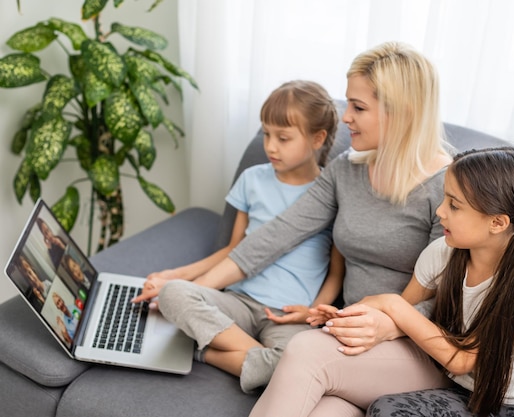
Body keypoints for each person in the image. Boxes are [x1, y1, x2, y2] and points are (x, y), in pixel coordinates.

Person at [142, 41, 452, 415]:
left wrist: (387, 326)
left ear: (401, 113)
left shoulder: (450, 188)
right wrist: (190, 291)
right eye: (347, 103)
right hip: (345, 337)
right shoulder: (346, 169)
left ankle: (229, 355)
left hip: (409, 342)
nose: (346, 117)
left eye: (358, 107)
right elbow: (274, 236)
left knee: (302, 352)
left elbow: (447, 296)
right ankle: (263, 360)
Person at [253, 147, 514, 417]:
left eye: (454, 206)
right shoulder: (442, 253)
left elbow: (461, 359)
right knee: (381, 409)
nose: (440, 212)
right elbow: (403, 318)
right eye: (445, 199)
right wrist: (350, 317)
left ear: (498, 223)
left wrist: (391, 303)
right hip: (469, 395)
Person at [132, 80, 345, 393]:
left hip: (289, 316)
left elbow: (336, 273)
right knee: (173, 294)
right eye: (267, 134)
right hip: (238, 302)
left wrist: (314, 311)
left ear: (318, 138)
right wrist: (175, 276)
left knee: (301, 363)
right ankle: (260, 359)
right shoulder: (252, 180)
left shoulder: (332, 193)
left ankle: (204, 351)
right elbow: (234, 249)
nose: (270, 146)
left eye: (283, 138)